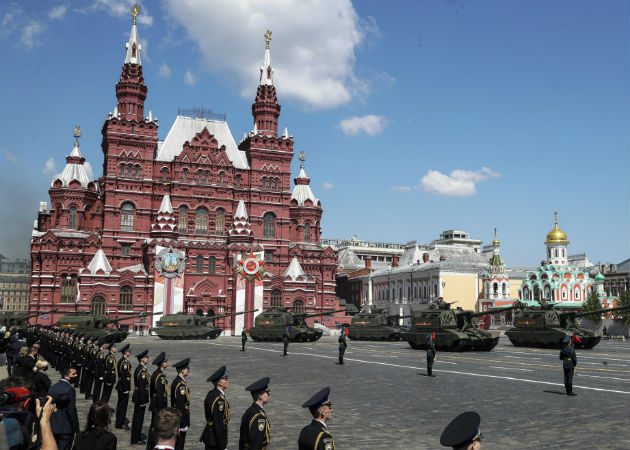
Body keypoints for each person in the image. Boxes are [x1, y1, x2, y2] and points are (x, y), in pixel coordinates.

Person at [49, 367, 80, 450]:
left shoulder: (52, 387)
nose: (76, 375)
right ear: (66, 376)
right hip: (66, 427)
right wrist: (76, 429)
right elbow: (71, 410)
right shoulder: (70, 389)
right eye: (73, 374)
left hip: (53, 426)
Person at [201, 365, 231, 450]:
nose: (228, 381)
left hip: (212, 436)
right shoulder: (218, 399)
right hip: (215, 439)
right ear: (219, 382)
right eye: (225, 379)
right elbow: (218, 422)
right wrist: (222, 445)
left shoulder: (212, 393)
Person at [239, 377, 271, 450]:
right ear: (260, 396)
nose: (269, 394)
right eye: (267, 392)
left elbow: (242, 438)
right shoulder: (259, 416)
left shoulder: (250, 410)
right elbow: (256, 441)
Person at [146, 352, 169, 450]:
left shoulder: (158, 374)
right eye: (166, 361)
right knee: (156, 427)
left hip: (156, 403)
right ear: (162, 363)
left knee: (154, 426)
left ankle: (151, 446)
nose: (167, 363)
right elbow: (160, 394)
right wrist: (161, 411)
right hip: (158, 405)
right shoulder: (160, 376)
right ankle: (153, 445)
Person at [170, 358, 190, 450]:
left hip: (177, 417)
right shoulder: (180, 384)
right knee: (180, 443)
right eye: (187, 368)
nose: (188, 370)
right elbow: (180, 404)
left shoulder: (178, 381)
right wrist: (182, 423)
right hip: (180, 418)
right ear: (182, 370)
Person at [131, 349, 150, 445]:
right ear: (142, 359)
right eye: (146, 357)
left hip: (139, 396)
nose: (148, 358)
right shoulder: (141, 371)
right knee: (138, 419)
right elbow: (142, 386)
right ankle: (135, 438)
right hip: (140, 397)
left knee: (139, 418)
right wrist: (143, 400)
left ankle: (136, 437)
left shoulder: (142, 369)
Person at [115, 343, 132, 430]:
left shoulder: (124, 361)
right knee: (122, 406)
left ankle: (120, 422)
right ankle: (119, 423)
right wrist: (126, 388)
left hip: (123, 386)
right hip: (123, 387)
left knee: (122, 405)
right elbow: (124, 376)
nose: (130, 353)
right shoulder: (124, 362)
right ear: (125, 352)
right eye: (128, 351)